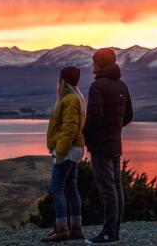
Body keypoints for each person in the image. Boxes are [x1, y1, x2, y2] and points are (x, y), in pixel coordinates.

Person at [83, 48, 133, 244]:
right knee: (116, 185)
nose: (92, 65)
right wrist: (114, 128)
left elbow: (94, 117)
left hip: (100, 145)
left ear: (100, 64)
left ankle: (109, 233)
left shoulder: (98, 86)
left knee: (107, 188)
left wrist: (84, 133)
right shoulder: (122, 85)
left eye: (94, 61)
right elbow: (129, 116)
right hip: (114, 142)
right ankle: (115, 230)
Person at [42, 66, 87, 242]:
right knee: (70, 188)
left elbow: (69, 128)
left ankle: (61, 229)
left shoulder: (69, 99)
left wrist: (60, 151)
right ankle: (75, 228)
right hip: (74, 148)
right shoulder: (78, 98)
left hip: (67, 149)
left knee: (56, 188)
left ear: (62, 81)